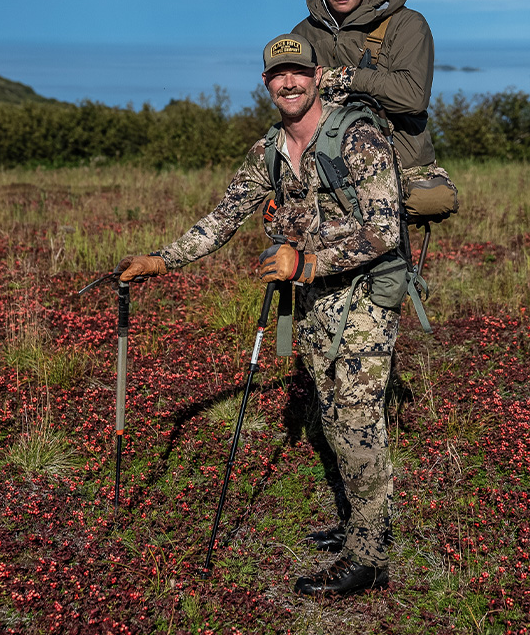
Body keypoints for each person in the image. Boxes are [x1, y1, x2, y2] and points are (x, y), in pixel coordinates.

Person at [117, 33, 401, 597]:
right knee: (331, 413)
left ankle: (368, 557)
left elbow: (385, 232)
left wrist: (310, 260)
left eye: (297, 72)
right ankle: (359, 525)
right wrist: (161, 260)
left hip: (365, 297)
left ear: (317, 76)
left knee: (356, 418)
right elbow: (223, 218)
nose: (288, 82)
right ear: (266, 83)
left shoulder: (360, 139)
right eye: (277, 75)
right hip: (314, 301)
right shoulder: (267, 151)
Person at [292, 0, 457, 221]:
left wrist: (344, 78)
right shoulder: (303, 34)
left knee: (385, 257)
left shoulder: (407, 25)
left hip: (395, 164)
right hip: (325, 167)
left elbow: (413, 96)